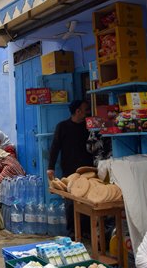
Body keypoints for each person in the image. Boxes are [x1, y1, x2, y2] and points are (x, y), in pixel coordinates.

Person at [47, 99, 93, 236]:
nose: (88, 112)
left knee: (87, 199)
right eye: (86, 109)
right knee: (71, 201)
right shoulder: (62, 126)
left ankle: (86, 230)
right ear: (78, 111)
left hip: (87, 170)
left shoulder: (88, 127)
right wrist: (51, 167)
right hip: (69, 169)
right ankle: (73, 231)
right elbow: (55, 147)